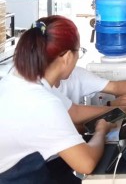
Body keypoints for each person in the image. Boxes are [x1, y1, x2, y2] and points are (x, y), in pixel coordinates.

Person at [0, 15, 115, 182]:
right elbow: (86, 163)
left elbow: (72, 112)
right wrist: (101, 131)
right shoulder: (42, 102)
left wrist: (120, 109)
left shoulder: (19, 79)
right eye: (79, 52)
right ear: (67, 56)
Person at [54, 65, 126, 110]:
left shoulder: (76, 74)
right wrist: (112, 108)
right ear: (67, 55)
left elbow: (115, 87)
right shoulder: (43, 93)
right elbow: (76, 122)